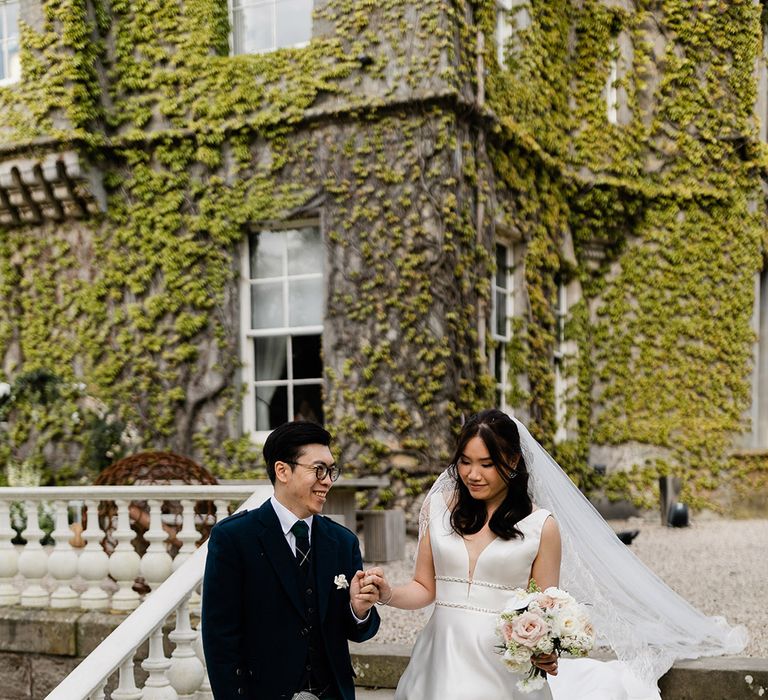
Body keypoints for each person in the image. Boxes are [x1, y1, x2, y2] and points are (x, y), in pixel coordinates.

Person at [365, 409, 746, 700]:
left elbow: (545, 610)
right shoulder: (438, 509)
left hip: (502, 667)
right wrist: (387, 594)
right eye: (465, 462)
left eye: (486, 464)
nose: (472, 474)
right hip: (438, 658)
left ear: (512, 463)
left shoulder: (540, 526)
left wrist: (546, 653)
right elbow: (423, 587)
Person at [202, 421, 381, 700]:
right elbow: (219, 640)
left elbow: (358, 632)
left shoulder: (343, 542)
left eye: (331, 470)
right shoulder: (233, 539)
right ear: (282, 471)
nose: (328, 480)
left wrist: (358, 610)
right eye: (318, 469)